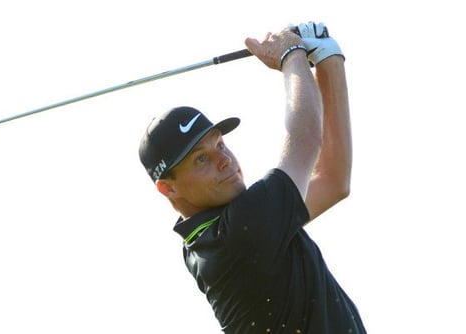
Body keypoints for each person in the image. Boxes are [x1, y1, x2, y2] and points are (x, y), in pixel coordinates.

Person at [138, 22, 365, 333]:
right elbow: (306, 138)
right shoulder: (239, 233)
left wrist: (328, 58)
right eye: (201, 159)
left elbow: (333, 180)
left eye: (219, 144)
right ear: (167, 188)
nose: (224, 160)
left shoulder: (218, 236)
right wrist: (291, 54)